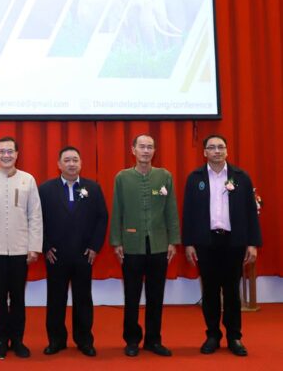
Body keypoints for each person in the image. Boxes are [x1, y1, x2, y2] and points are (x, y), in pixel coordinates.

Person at [182, 134, 262, 356]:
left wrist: (252, 243)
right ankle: (212, 335)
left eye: (220, 147)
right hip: (205, 242)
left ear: (227, 151)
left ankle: (234, 337)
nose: (216, 151)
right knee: (209, 291)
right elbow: (187, 213)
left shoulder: (241, 177)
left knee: (232, 292)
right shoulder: (195, 178)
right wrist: (188, 243)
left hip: (233, 242)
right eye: (212, 147)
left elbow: (250, 213)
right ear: (204, 152)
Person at [109, 134, 180, 357]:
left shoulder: (164, 176)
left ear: (154, 151)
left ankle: (153, 340)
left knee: (156, 295)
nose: (146, 151)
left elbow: (171, 210)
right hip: (131, 246)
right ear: (133, 150)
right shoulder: (122, 177)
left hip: (159, 245)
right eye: (142, 147)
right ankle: (131, 340)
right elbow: (117, 210)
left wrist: (173, 240)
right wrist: (116, 241)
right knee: (131, 296)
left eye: (150, 147)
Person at [0, 136, 42, 359]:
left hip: (21, 250)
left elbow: (35, 216)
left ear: (17, 154)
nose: (6, 155)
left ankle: (18, 340)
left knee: (19, 297)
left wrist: (34, 247)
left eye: (10, 151)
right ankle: (1, 340)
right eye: (2, 151)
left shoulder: (28, 180)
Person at [39, 146, 108, 357]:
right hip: (55, 254)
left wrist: (95, 247)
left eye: (75, 160)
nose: (71, 164)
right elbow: (36, 219)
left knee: (83, 299)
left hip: (83, 254)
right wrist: (45, 246)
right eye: (67, 160)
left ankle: (84, 340)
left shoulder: (93, 188)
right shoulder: (46, 189)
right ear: (59, 164)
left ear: (81, 163)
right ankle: (56, 340)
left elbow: (102, 218)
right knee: (55, 299)